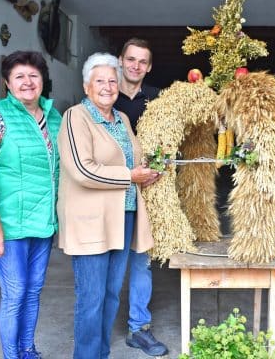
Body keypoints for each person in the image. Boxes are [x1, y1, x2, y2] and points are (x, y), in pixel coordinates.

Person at [57, 52, 161, 359]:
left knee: (111, 294)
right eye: (99, 80)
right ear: (87, 85)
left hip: (123, 216)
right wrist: (130, 175)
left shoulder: (123, 118)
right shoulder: (76, 117)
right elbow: (81, 169)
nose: (107, 86)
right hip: (90, 220)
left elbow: (130, 159)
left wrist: (146, 173)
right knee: (91, 297)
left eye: (112, 81)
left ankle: (100, 353)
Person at [0, 50, 61, 359]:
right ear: (6, 82)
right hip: (8, 224)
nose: (27, 82)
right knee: (15, 294)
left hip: (43, 222)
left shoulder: (54, 117)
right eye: (19, 76)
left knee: (33, 292)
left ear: (43, 81)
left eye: (33, 76)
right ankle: (13, 356)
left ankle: (28, 351)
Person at [114, 37, 168, 357]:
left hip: (147, 191)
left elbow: (168, 140)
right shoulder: (105, 94)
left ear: (149, 67)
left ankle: (139, 327)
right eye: (130, 59)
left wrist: (161, 166)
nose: (135, 66)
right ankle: (98, 326)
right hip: (110, 193)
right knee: (108, 263)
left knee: (141, 262)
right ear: (121, 60)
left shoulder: (157, 99)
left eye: (142, 61)